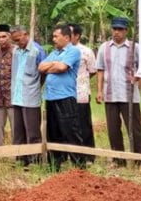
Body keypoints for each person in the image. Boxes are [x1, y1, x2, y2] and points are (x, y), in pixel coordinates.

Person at [96, 17, 141, 166]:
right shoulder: (104, 48)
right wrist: (99, 91)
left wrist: (137, 77)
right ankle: (118, 159)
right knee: (113, 128)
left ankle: (140, 160)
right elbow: (100, 69)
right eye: (114, 29)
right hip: (110, 94)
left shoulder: (134, 47)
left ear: (126, 31)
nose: (117, 32)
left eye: (120, 29)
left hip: (129, 95)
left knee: (134, 128)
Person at [38, 24, 85, 169]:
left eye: (56, 36)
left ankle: (79, 166)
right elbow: (40, 67)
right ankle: (55, 165)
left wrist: (51, 67)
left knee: (70, 131)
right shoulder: (55, 53)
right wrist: (54, 64)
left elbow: (62, 67)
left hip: (66, 97)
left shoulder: (74, 51)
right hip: (50, 97)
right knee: (53, 133)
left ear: (66, 37)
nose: (53, 39)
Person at [10, 25, 45, 165]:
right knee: (18, 131)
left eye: (19, 39)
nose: (18, 42)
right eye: (15, 40)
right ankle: (20, 159)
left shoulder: (37, 50)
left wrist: (36, 87)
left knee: (32, 132)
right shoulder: (16, 51)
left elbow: (43, 73)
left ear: (25, 34)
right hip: (17, 96)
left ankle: (35, 161)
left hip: (31, 96)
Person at [68, 23, 97, 162]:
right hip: (65, 94)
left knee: (83, 125)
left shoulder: (86, 51)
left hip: (81, 93)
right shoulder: (62, 51)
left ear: (77, 36)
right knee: (69, 126)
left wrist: (82, 81)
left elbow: (92, 71)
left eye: (70, 34)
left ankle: (88, 156)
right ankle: (71, 154)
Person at [0, 23, 14, 146]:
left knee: (16, 127)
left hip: (13, 96)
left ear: (9, 36)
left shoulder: (16, 51)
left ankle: (18, 153)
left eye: (4, 36)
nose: (1, 39)